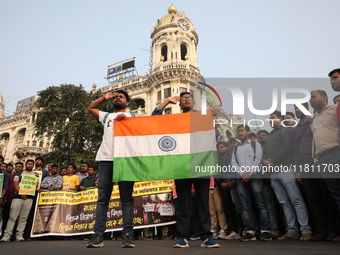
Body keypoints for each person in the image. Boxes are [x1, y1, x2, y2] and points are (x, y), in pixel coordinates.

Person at [152, 92, 220, 248]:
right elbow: (154, 116)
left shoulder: (203, 118)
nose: (186, 100)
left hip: (201, 164)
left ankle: (206, 237)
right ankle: (183, 237)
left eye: (189, 98)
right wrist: (167, 100)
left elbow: (214, 138)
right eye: (183, 99)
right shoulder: (175, 120)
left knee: (203, 203)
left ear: (193, 102)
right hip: (181, 166)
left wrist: (213, 122)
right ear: (180, 103)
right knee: (183, 203)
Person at [86, 90, 135, 248]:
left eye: (121, 97)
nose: (118, 98)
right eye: (115, 97)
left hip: (126, 160)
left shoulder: (134, 117)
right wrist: (103, 98)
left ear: (127, 103)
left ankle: (127, 236)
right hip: (106, 160)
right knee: (102, 199)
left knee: (126, 200)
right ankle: (98, 235)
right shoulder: (106, 116)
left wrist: (126, 122)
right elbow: (91, 108)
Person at [293, 102, 340, 242]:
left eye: (300, 107)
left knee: (327, 196)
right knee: (313, 199)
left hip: (319, 161)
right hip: (304, 164)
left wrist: (317, 161)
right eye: (295, 108)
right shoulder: (295, 129)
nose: (297, 110)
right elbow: (295, 150)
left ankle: (334, 231)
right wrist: (297, 169)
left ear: (307, 108)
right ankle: (322, 230)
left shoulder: (315, 122)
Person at [263, 110, 312, 241]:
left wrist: (272, 160)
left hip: (286, 169)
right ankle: (292, 231)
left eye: (273, 117)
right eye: (269, 118)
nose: (270, 120)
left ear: (280, 119)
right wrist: (264, 161)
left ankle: (305, 230)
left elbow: (287, 147)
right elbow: (265, 153)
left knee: (296, 200)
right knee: (284, 202)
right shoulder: (270, 136)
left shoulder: (287, 131)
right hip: (274, 173)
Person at [231, 125, 271, 242]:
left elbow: (258, 160)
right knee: (245, 206)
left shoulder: (255, 145)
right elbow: (233, 163)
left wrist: (249, 173)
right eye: (238, 131)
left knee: (261, 204)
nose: (240, 133)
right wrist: (242, 173)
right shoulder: (236, 148)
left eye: (242, 131)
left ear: (248, 132)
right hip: (241, 178)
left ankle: (265, 231)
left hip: (254, 177)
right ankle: (249, 231)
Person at [310, 90, 340, 213]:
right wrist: (316, 160)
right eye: (310, 98)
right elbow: (314, 140)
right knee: (336, 196)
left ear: (324, 97)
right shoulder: (315, 119)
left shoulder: (335, 109)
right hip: (324, 159)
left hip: (336, 152)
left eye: (313, 97)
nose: (310, 100)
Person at [0, 160, 38, 242]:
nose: (30, 165)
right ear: (26, 165)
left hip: (29, 198)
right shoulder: (19, 173)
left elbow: (36, 185)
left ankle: (19, 235)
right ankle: (7, 235)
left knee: (23, 218)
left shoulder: (36, 175)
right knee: (12, 217)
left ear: (33, 165)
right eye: (29, 164)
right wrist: (21, 193)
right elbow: (15, 184)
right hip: (17, 197)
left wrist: (27, 194)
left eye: (32, 164)